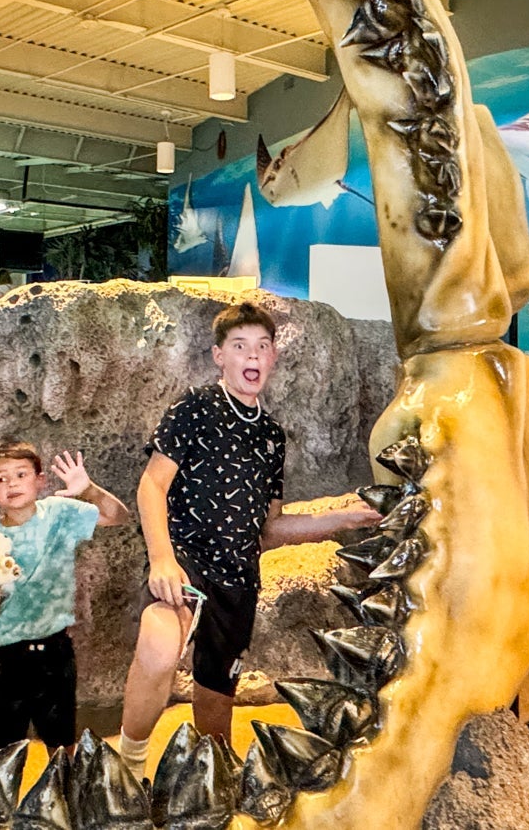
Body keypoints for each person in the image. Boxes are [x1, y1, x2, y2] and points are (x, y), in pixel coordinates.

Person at [116, 303, 380, 775]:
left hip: (239, 579)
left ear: (273, 356)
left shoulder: (273, 437)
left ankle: (209, 777)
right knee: (158, 644)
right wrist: (161, 560)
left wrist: (345, 518)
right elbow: (151, 485)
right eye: (240, 346)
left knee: (217, 707)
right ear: (220, 355)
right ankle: (127, 766)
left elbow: (271, 529)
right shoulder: (195, 407)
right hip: (187, 560)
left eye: (262, 346)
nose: (251, 355)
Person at [0, 442, 130, 752]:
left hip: (55, 651)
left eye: (21, 474)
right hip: (3, 656)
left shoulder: (60, 513)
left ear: (40, 480)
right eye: (0, 479)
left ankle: (64, 797)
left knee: (61, 744)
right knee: (0, 751)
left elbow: (118, 516)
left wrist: (89, 489)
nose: (11, 483)